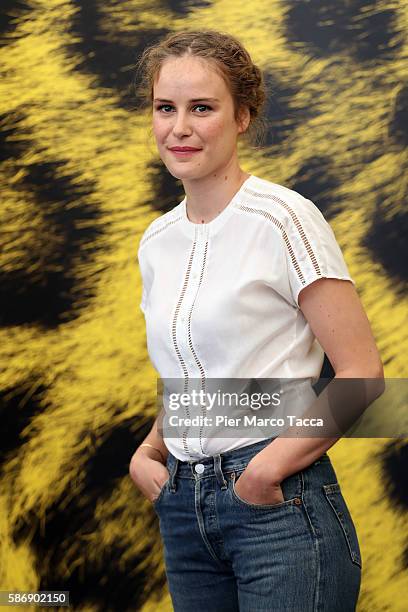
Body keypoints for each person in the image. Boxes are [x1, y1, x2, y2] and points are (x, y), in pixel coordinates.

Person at [129, 29, 385, 612]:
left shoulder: (284, 218)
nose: (179, 128)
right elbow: (199, 375)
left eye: (202, 108)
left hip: (276, 504)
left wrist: (263, 473)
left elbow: (361, 375)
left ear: (242, 116)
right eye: (165, 108)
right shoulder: (156, 240)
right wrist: (150, 450)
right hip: (183, 506)